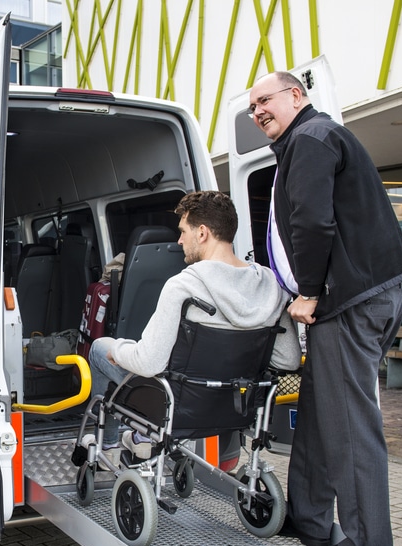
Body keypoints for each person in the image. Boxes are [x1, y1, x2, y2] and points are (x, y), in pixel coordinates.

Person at [249, 71, 402, 546]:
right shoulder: (310, 139)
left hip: (346, 302)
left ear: (296, 95)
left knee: (348, 426)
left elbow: (313, 220)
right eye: (251, 105)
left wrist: (310, 291)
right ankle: (308, 517)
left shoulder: (313, 139)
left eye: (265, 99)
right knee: (322, 415)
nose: (257, 111)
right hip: (364, 297)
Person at [87, 190, 301, 462]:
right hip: (237, 405)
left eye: (182, 232)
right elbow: (289, 359)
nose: (179, 241)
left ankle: (107, 446)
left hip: (179, 406)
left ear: (202, 233)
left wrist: (117, 351)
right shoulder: (270, 285)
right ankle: (140, 439)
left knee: (99, 348)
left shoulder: (183, 286)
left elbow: (149, 363)